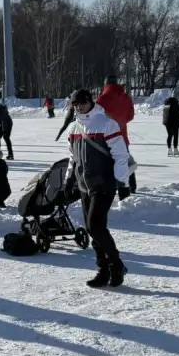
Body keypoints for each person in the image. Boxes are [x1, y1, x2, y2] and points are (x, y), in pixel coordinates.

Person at [66, 89, 131, 288]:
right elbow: (73, 157)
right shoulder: (73, 128)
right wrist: (69, 179)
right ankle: (103, 269)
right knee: (91, 228)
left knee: (95, 226)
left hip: (104, 183)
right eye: (75, 105)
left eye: (82, 103)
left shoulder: (106, 123)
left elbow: (121, 155)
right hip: (85, 185)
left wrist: (123, 182)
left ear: (91, 102)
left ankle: (116, 265)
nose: (79, 107)